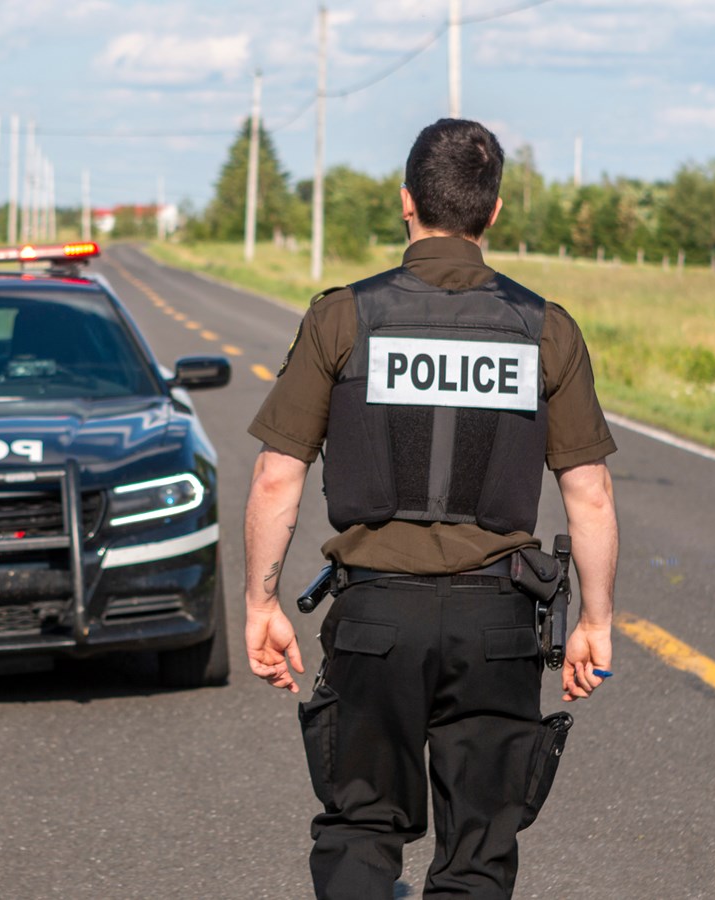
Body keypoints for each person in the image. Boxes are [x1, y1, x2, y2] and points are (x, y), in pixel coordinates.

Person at [241, 118, 620, 899]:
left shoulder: (344, 317)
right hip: (500, 627)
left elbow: (278, 476)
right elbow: (590, 492)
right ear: (495, 211)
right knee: (479, 853)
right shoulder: (545, 329)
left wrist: (260, 603)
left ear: (406, 203)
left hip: (377, 620)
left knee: (360, 828)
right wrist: (597, 622)